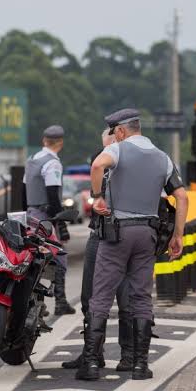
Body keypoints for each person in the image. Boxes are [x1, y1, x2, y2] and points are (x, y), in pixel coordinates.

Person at [76, 108, 188, 381]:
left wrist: (98, 197)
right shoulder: (163, 157)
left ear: (122, 131)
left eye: (114, 132)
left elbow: (96, 166)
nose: (114, 137)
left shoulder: (118, 150)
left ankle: (90, 363)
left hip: (117, 233)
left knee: (101, 295)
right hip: (147, 235)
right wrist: (177, 235)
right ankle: (140, 364)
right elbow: (182, 198)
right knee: (141, 297)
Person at [62, 128, 134, 372]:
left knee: (122, 298)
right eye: (106, 143)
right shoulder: (105, 158)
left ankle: (121, 355)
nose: (108, 146)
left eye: (111, 141)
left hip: (119, 233)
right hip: (103, 232)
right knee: (90, 298)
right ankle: (95, 353)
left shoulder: (132, 160)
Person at [23, 125, 75, 316]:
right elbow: (53, 195)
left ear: (44, 141)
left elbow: (23, 190)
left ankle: (34, 302)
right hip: (44, 217)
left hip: (30, 215)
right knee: (59, 256)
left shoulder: (31, 161)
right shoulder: (52, 163)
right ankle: (60, 302)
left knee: (32, 258)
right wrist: (60, 223)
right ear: (60, 143)